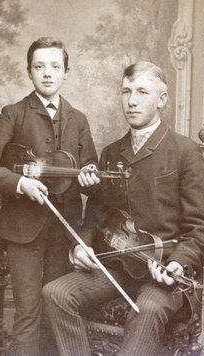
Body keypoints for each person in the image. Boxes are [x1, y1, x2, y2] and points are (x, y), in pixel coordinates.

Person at [42, 61, 204, 356]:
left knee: (148, 308)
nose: (131, 101)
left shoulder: (186, 152)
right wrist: (82, 245)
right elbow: (96, 214)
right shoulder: (111, 153)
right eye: (126, 91)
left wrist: (179, 262)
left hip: (162, 271)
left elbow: (197, 227)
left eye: (142, 92)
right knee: (56, 293)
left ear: (162, 99)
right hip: (115, 267)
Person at [0, 37, 98, 356]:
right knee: (28, 314)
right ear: (29, 72)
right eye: (39, 67)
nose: (47, 73)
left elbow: (90, 173)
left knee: (55, 309)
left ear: (66, 72)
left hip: (64, 230)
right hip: (23, 231)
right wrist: (20, 183)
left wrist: (89, 175)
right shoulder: (13, 113)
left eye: (55, 67)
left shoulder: (78, 119)